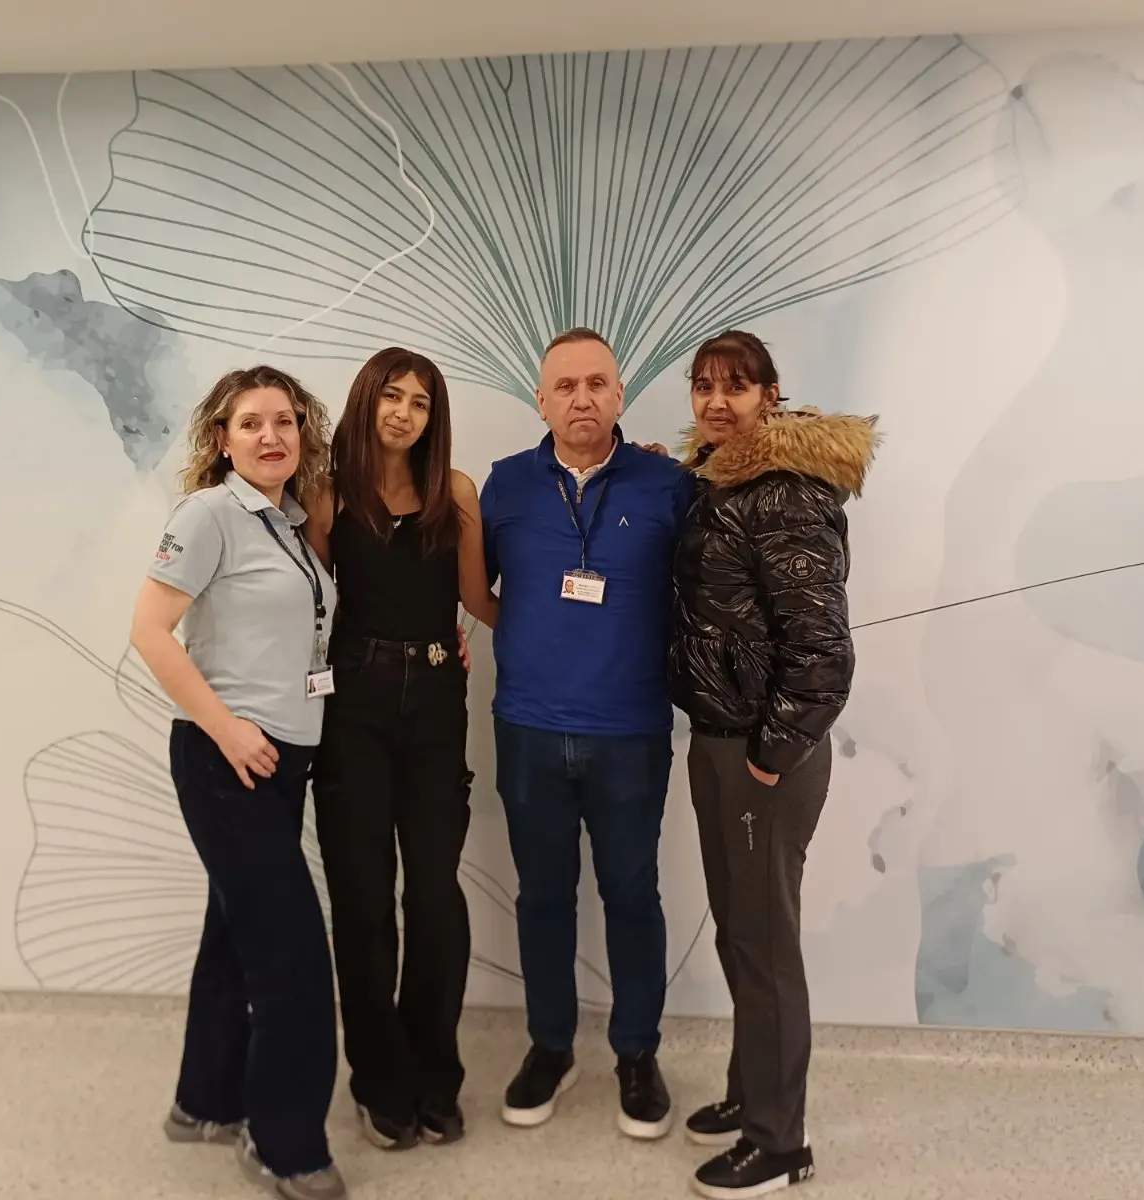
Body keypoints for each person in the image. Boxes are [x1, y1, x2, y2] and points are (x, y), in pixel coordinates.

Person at [129, 366, 347, 1200]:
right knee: (294, 960)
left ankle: (205, 1102)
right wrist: (227, 728)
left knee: (233, 935)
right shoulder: (209, 514)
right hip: (227, 760)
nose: (270, 436)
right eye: (251, 423)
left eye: (285, 421)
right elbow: (150, 632)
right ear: (222, 439)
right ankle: (284, 1145)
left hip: (280, 760)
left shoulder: (285, 522)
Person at [668, 331, 877, 1199]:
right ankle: (753, 1091)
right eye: (705, 386)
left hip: (761, 754)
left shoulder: (782, 492)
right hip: (719, 737)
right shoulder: (719, 482)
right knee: (740, 933)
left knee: (764, 943)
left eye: (737, 386)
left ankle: (780, 1143)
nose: (718, 401)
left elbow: (823, 653)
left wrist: (769, 758)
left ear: (771, 395)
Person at [479, 327, 697, 1140]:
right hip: (528, 729)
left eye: (597, 383)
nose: (582, 398)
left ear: (620, 395)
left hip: (630, 732)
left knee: (632, 896)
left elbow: (702, 598)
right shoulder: (504, 485)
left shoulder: (668, 485)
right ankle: (550, 1046)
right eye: (565, 386)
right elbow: (473, 588)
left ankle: (636, 1054)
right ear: (541, 400)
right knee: (543, 897)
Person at [303, 347, 499, 1152]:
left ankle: (434, 1077)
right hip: (352, 702)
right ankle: (379, 1081)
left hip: (437, 702)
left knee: (433, 894)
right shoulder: (328, 495)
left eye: (420, 402)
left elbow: (478, 599)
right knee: (362, 898)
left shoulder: (457, 492)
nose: (404, 413)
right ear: (367, 400)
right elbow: (309, 611)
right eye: (392, 396)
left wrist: (579, 609)